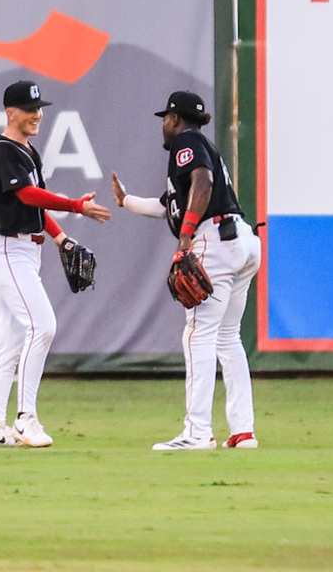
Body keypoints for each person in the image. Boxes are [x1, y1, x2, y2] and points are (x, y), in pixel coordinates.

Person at [110, 90, 260, 451]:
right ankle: (243, 431)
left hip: (214, 240)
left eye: (165, 119)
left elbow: (203, 184)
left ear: (175, 119)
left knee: (198, 336)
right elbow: (169, 207)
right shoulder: (202, 147)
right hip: (241, 240)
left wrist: (185, 239)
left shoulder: (187, 141)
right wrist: (125, 201)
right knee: (227, 337)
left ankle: (197, 432)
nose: (164, 126)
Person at [0, 79, 110, 449]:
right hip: (6, 250)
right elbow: (27, 193)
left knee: (10, 341)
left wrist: (60, 237)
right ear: (10, 113)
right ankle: (25, 418)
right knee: (43, 326)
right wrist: (75, 205)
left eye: (40, 108)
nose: (37, 115)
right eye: (30, 109)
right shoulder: (2, 150)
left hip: (23, 250)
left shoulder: (28, 151)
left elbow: (32, 206)